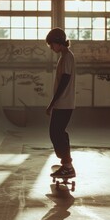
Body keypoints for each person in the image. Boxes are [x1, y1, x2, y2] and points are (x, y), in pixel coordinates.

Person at [45, 27, 76, 178]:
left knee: (56, 133)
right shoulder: (64, 57)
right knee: (59, 133)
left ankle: (68, 166)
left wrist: (52, 102)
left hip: (64, 103)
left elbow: (65, 80)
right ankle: (66, 164)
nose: (51, 47)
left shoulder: (67, 57)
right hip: (63, 103)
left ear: (58, 42)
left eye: (52, 44)